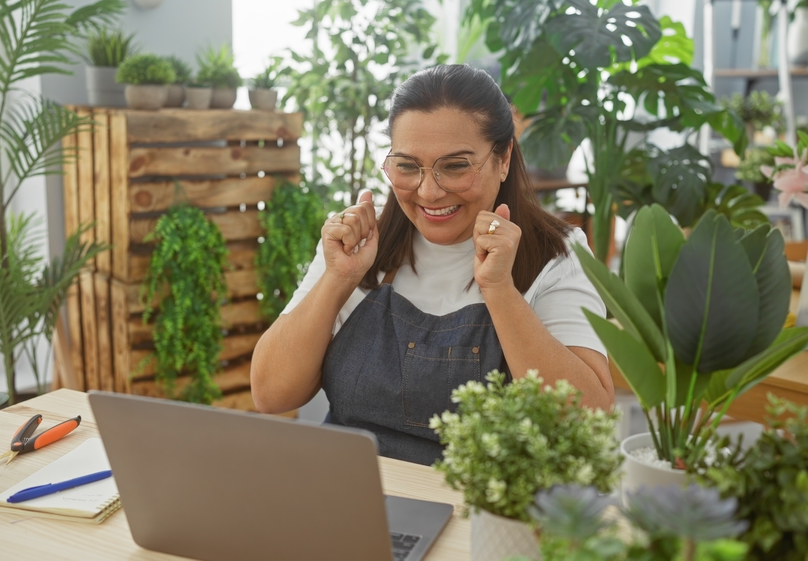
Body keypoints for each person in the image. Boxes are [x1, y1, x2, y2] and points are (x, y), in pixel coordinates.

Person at [251, 64, 612, 466]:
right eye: (407, 166)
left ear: (504, 157)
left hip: (487, 513)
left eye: (455, 166)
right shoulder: (356, 246)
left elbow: (589, 418)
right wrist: (338, 279)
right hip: (349, 495)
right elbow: (271, 394)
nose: (428, 191)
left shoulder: (556, 254)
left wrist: (500, 292)